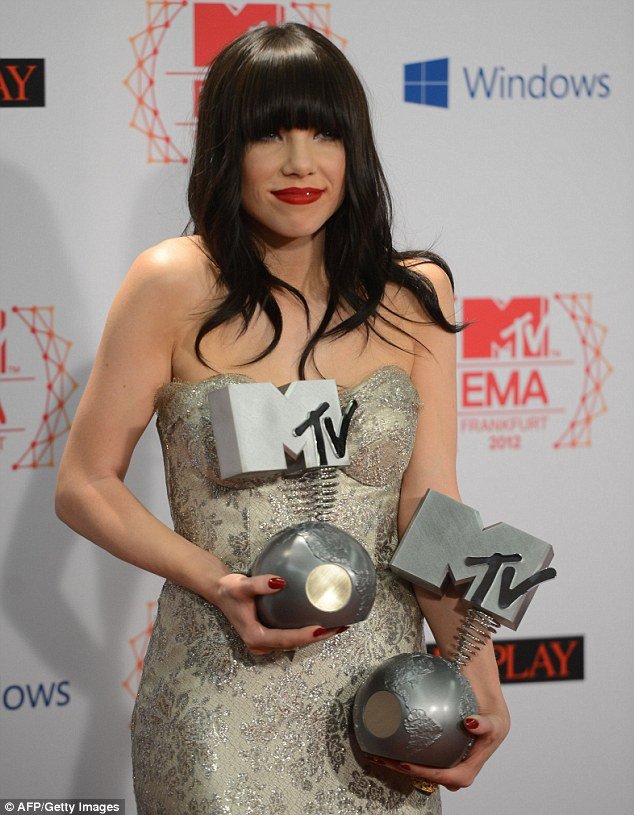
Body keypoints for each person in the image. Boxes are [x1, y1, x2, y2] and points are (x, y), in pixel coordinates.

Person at [56, 22, 509, 814]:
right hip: (221, 692)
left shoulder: (416, 293)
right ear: (224, 152)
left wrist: (478, 676)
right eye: (270, 134)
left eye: (324, 133)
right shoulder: (171, 283)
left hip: (385, 706)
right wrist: (216, 581)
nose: (301, 162)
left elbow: (432, 506)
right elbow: (85, 484)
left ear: (354, 149)